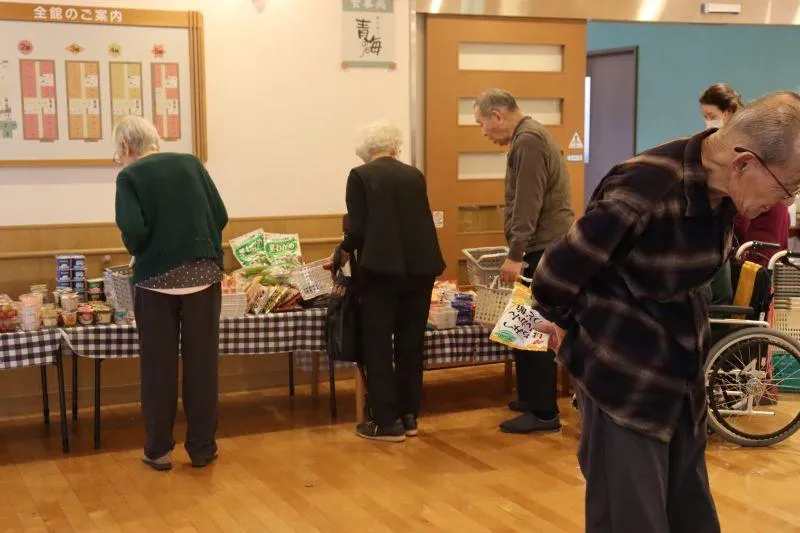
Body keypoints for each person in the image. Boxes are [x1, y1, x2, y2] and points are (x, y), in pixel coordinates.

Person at [532, 92, 800, 532]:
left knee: (690, 516)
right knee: (631, 519)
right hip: (624, 382)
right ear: (744, 163)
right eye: (786, 188)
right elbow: (555, 273)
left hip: (681, 377)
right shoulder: (644, 189)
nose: (784, 203)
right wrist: (565, 329)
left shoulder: (722, 191)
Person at [114, 115, 228, 471]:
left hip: (155, 281)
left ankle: (159, 450)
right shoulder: (191, 163)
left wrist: (149, 250)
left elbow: (133, 231)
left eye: (117, 153)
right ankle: (203, 448)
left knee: (158, 366)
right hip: (204, 274)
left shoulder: (130, 176)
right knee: (202, 365)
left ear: (126, 147)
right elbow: (221, 215)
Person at [473, 89, 574, 434]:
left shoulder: (529, 141)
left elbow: (528, 203)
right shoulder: (529, 136)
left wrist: (515, 254)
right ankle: (531, 398)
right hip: (540, 246)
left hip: (541, 249)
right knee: (519, 326)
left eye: (482, 123)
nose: (483, 131)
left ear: (497, 116)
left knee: (533, 328)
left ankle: (544, 413)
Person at [337, 120, 445, 442]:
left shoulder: (360, 176)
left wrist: (343, 250)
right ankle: (409, 416)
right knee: (411, 344)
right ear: (394, 146)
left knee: (379, 344)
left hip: (381, 271)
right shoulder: (414, 175)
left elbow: (358, 229)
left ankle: (386, 421)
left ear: (364, 150)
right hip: (422, 269)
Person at [701, 83, 791, 265]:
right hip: (769, 219)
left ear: (727, 112)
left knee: (756, 272)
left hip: (760, 226)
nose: (708, 122)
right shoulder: (747, 136)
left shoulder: (737, 146)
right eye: (705, 117)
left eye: (711, 116)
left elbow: (740, 217)